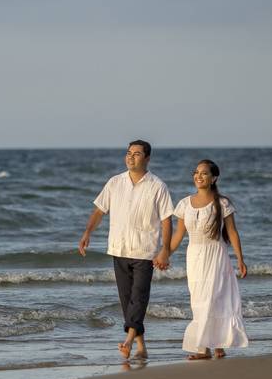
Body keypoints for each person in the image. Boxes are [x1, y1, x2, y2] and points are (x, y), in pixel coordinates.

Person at [79, 140, 174, 360]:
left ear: (147, 158)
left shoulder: (157, 186)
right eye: (129, 153)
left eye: (137, 154)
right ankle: (141, 346)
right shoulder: (115, 182)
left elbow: (167, 220)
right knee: (126, 299)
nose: (131, 157)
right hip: (119, 248)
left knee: (138, 297)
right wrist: (87, 233)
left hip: (145, 250)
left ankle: (129, 340)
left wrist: (165, 250)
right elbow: (99, 211)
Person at [170, 159, 249, 359]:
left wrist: (240, 259)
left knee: (213, 299)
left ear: (214, 178)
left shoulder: (222, 203)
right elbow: (178, 235)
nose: (198, 176)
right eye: (196, 172)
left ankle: (210, 347)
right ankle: (211, 346)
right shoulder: (184, 204)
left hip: (216, 255)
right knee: (198, 300)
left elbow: (232, 232)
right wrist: (164, 255)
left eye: (204, 173)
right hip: (194, 257)